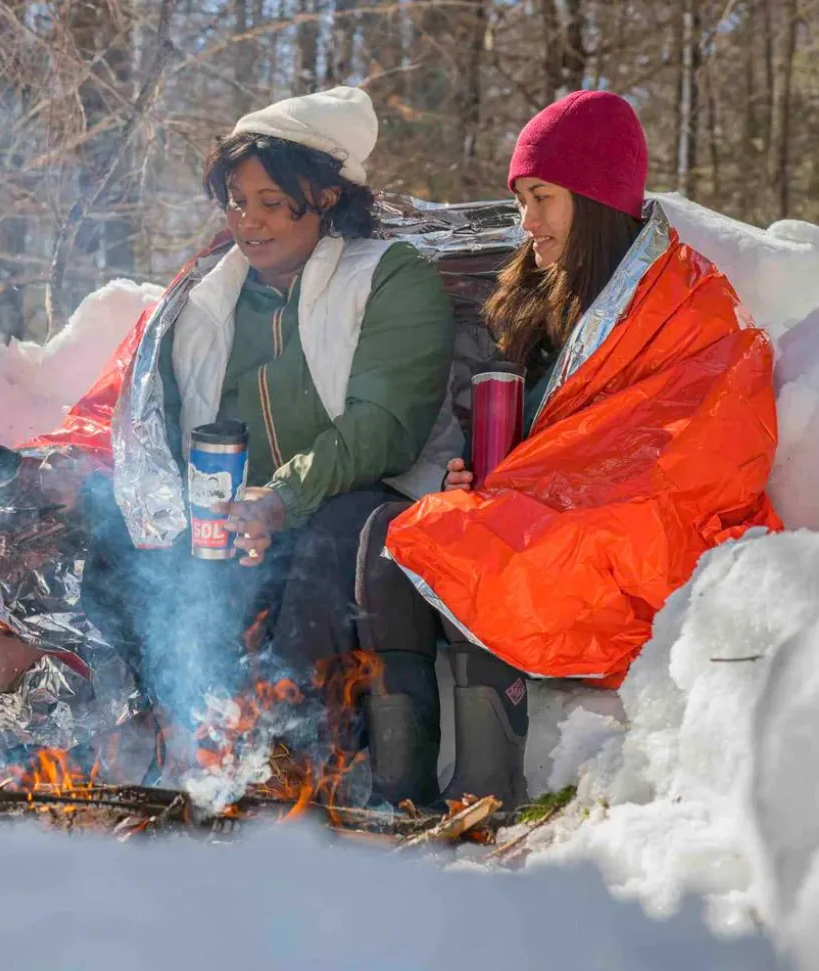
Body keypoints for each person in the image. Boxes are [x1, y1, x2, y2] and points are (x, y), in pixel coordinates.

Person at [356, 90, 782, 810]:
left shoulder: (690, 303)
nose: (526, 222)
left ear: (596, 194)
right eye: (522, 199)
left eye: (541, 197)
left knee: (478, 544)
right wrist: (491, 473)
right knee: (388, 539)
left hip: (647, 531)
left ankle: (485, 786)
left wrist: (531, 488)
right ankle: (400, 791)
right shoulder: (545, 295)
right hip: (557, 508)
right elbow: (558, 435)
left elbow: (703, 443)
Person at [78, 87, 459, 722]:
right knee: (121, 552)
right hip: (247, 517)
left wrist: (281, 497)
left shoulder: (389, 277)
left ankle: (299, 751)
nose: (245, 221)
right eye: (235, 202)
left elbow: (384, 427)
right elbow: (162, 435)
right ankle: (177, 736)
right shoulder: (204, 303)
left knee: (333, 540)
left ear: (325, 198)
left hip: (365, 500)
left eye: (270, 204)